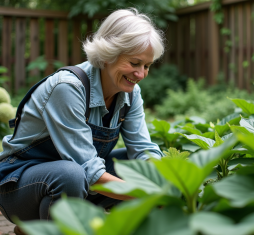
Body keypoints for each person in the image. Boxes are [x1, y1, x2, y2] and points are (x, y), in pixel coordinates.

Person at [0, 8, 164, 234]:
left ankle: (34, 229)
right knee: (71, 174)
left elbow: (143, 149)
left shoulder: (130, 93)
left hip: (74, 184)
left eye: (147, 66)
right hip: (19, 188)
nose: (141, 74)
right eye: (134, 63)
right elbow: (88, 171)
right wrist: (147, 193)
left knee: (133, 165)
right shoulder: (68, 88)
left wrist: (162, 180)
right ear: (108, 54)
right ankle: (43, 227)